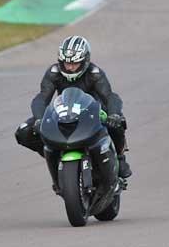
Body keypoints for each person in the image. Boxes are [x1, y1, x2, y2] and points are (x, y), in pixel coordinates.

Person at [15, 35, 133, 179]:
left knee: (117, 123)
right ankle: (55, 154)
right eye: (66, 63)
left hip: (93, 113)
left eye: (75, 63)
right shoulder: (54, 73)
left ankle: (120, 158)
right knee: (23, 132)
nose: (70, 67)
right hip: (63, 113)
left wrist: (115, 114)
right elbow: (41, 98)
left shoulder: (94, 74)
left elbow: (110, 96)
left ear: (85, 61)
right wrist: (39, 119)